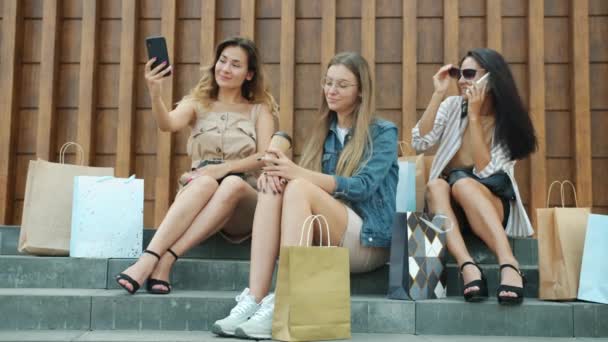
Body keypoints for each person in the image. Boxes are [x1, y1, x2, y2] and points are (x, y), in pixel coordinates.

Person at [210, 51, 399, 340]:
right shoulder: (324, 131)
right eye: (328, 82)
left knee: (296, 183)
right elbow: (305, 186)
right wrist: (278, 173)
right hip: (329, 237)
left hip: (367, 242)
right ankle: (255, 298)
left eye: (342, 85)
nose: (332, 90)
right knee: (272, 184)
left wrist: (295, 173)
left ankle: (283, 300)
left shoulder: (382, 132)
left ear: (361, 91)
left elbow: (362, 187)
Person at [115, 36, 277, 295]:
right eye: (222, 61)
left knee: (232, 183)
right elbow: (167, 124)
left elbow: (265, 156)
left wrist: (224, 168)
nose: (225, 69)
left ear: (249, 74)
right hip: (201, 192)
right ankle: (154, 260)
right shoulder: (197, 103)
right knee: (204, 182)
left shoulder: (260, 110)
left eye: (235, 65)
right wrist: (155, 94)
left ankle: (160, 259)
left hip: (243, 198)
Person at [412, 48, 537, 305]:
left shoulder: (507, 122)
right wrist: (438, 94)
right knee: (436, 185)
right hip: (450, 209)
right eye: (459, 73)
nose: (461, 81)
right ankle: (468, 266)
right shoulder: (451, 106)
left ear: (491, 79)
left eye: (469, 74)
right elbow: (420, 142)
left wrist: (475, 117)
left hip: (489, 203)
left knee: (465, 184)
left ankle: (509, 264)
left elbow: (485, 172)